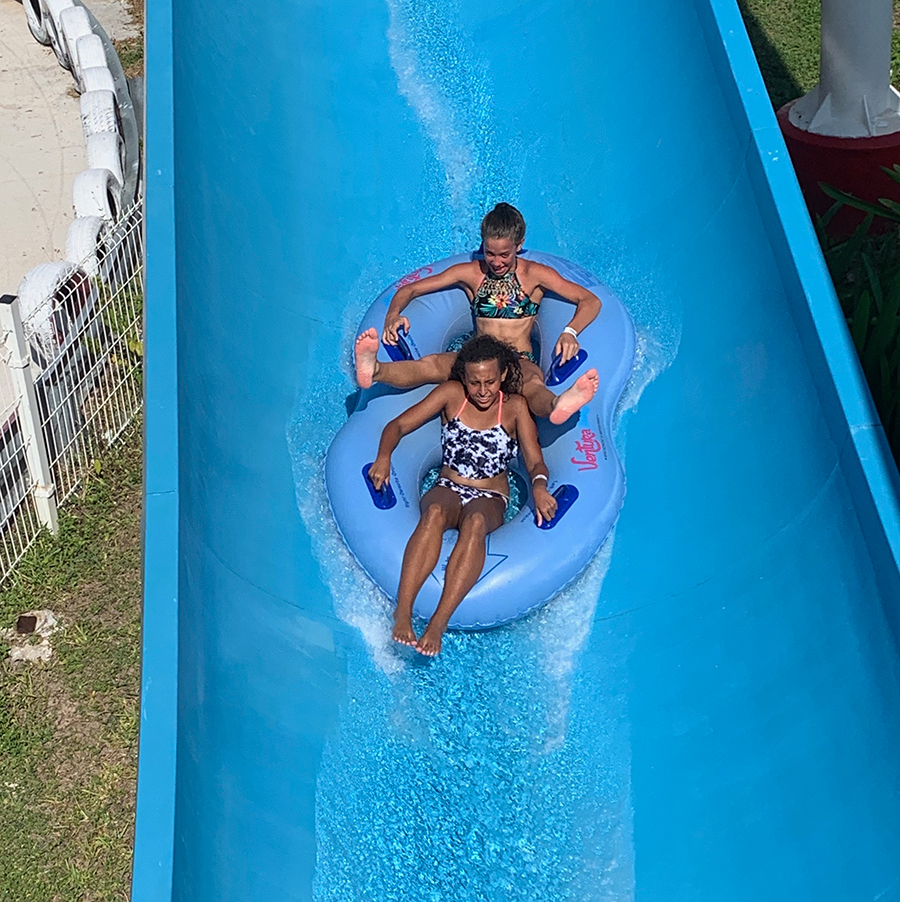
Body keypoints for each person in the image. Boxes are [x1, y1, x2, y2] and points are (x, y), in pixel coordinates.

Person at [368, 335, 557, 656]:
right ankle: (403, 612)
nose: (482, 390)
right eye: (474, 382)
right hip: (448, 487)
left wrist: (538, 487)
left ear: (502, 377)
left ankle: (438, 624)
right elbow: (398, 426)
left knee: (477, 521)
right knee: (434, 514)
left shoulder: (514, 407)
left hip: (490, 497)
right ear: (463, 378)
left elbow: (535, 459)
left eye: (489, 381)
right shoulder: (451, 395)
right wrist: (384, 456)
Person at [355, 202, 601, 425]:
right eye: (490, 253)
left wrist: (570, 332)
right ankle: (375, 370)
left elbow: (589, 300)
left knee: (532, 382)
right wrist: (393, 315)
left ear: (520, 244)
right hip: (478, 356)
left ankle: (558, 405)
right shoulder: (472, 273)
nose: (496, 262)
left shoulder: (534, 275)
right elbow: (411, 288)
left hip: (518, 358)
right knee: (430, 364)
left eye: (505, 254)